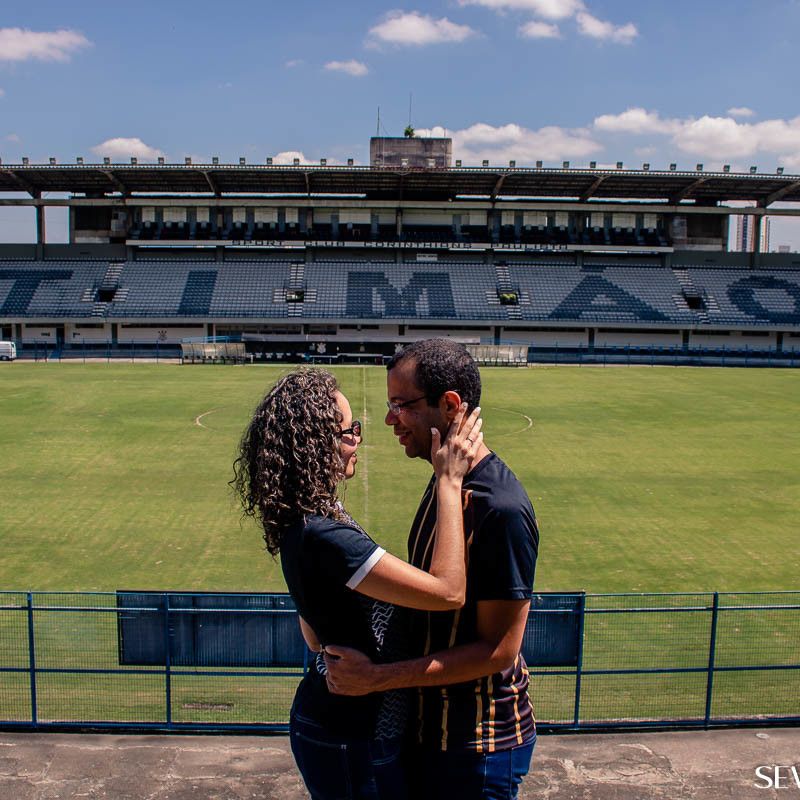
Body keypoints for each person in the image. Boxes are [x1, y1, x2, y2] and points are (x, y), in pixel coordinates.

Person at [231, 367, 483, 800]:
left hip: (336, 727)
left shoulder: (306, 521)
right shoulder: (327, 537)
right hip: (351, 736)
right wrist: (449, 480)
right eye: (351, 431)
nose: (359, 440)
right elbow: (448, 592)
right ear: (316, 444)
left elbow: (313, 638)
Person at [324, 339, 540, 800]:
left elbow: (499, 651)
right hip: (431, 737)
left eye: (401, 405)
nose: (388, 420)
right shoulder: (447, 479)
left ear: (449, 405)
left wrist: (381, 677)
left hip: (476, 748)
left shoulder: (498, 507)